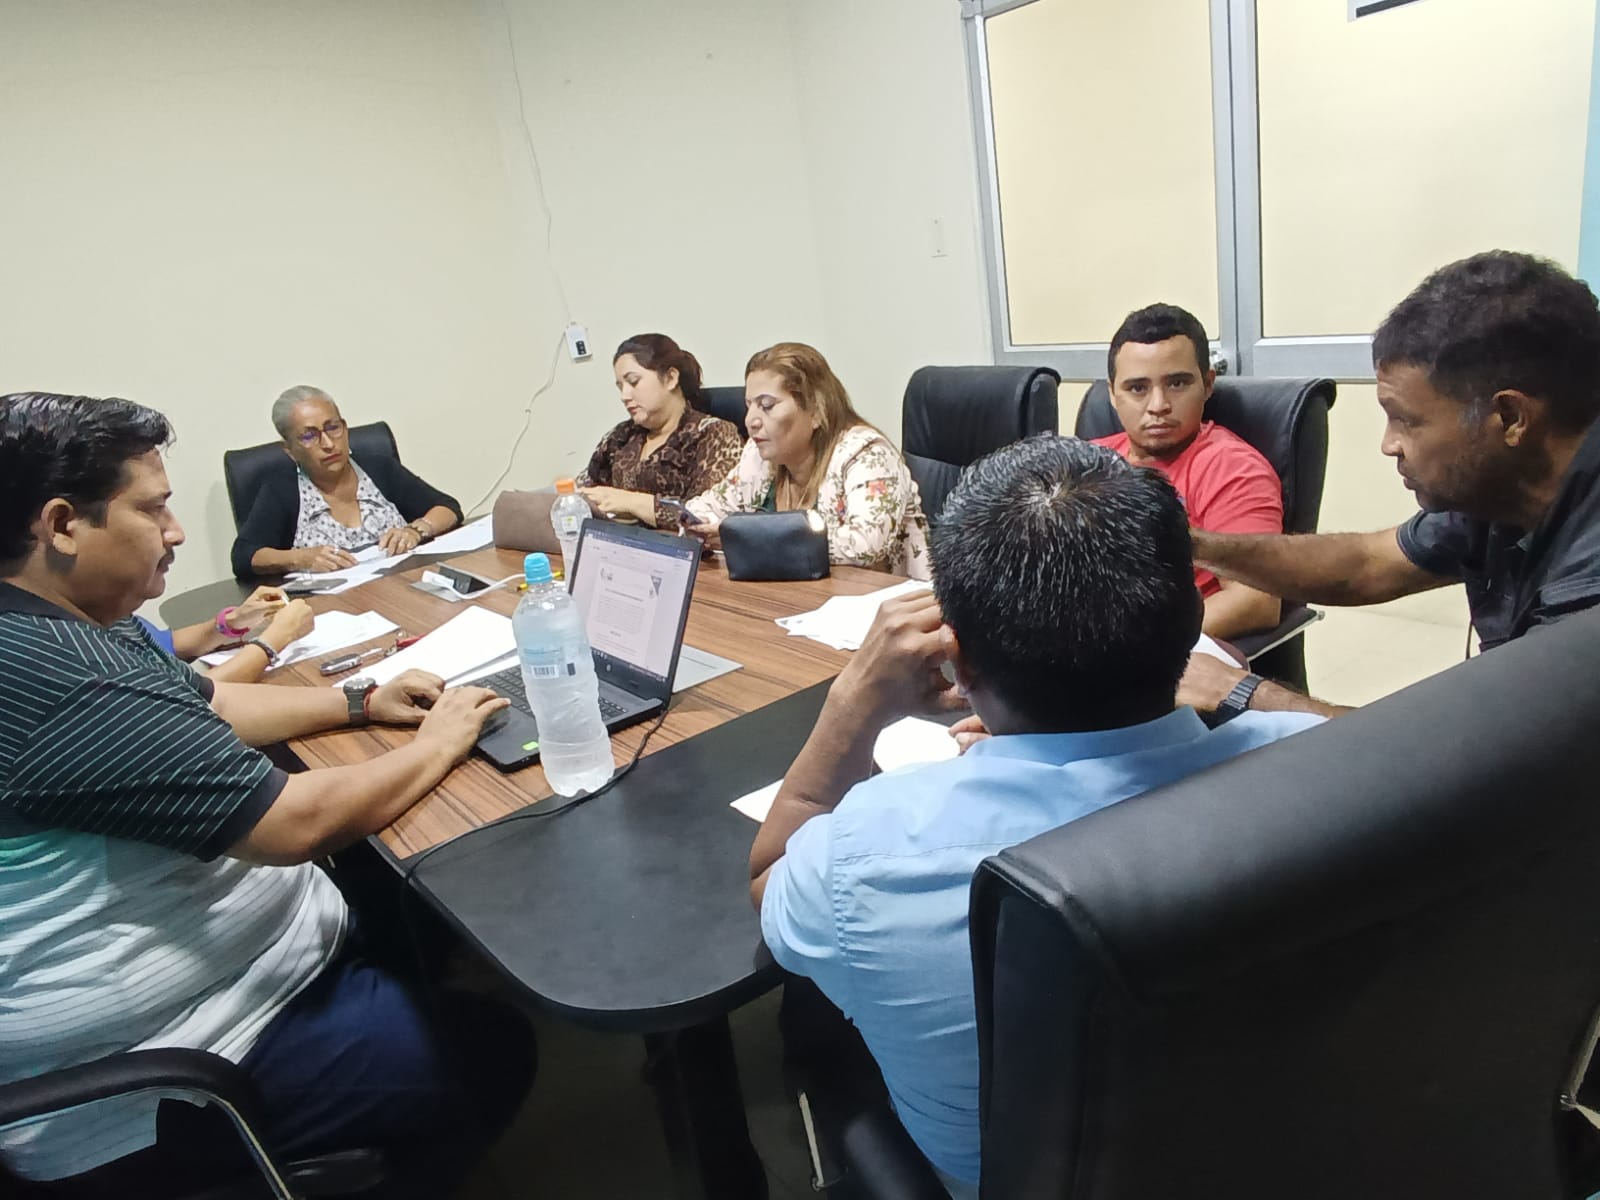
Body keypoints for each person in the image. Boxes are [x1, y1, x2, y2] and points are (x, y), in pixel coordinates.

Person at [751, 436, 1321, 1196]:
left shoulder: (868, 853)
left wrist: (852, 702)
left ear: (961, 663)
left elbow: (769, 872)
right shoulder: (1320, 770)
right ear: (1194, 625)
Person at [0, 393, 532, 1197]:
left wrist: (358, 702)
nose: (176, 531)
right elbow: (294, 822)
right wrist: (438, 742)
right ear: (62, 524)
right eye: (153, 509)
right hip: (164, 1079)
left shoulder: (68, 623)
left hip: (223, 991)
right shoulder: (58, 680)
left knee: (396, 892)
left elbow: (211, 701)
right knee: (491, 1050)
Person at [1177, 250, 1600, 721]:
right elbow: (1368, 563)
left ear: (1510, 417)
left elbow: (1484, 747)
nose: (1388, 445)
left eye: (1406, 420)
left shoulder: (1588, 594)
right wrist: (1193, 544)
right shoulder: (1504, 491)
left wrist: (1247, 694)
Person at [1093, 303, 1283, 640]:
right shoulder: (1090, 460)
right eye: (1137, 388)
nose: (1158, 406)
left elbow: (1256, 601)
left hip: (1154, 651)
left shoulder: (1232, 469)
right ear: (1112, 393)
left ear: (1207, 384)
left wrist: (1133, 649)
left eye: (1177, 383)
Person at [685, 342, 931, 578]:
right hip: (795, 595)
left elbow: (865, 545)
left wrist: (745, 538)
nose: (750, 421)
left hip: (883, 599)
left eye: (767, 406)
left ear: (815, 411)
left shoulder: (867, 454)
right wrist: (701, 527)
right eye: (749, 406)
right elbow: (704, 508)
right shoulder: (758, 456)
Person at [230, 386, 462, 578]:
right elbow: (244, 556)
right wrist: (299, 558)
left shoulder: (380, 468)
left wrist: (415, 530)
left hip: (401, 588)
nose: (328, 443)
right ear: (290, 450)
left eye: (333, 428)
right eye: (309, 436)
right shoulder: (281, 491)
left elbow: (448, 507)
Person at [572, 333, 742, 526]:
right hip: (617, 541)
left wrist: (631, 502)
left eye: (633, 382)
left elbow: (706, 518)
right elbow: (582, 492)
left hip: (679, 544)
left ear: (670, 378)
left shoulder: (714, 434)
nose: (624, 395)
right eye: (620, 387)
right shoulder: (621, 436)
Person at [140, 584, 315, 684]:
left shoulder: (126, 621)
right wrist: (276, 639)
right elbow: (195, 697)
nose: (177, 537)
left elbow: (167, 645)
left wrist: (232, 622)